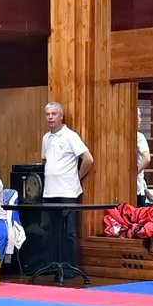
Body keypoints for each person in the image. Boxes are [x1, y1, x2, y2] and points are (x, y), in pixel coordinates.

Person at [40, 102, 93, 269]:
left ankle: (69, 268)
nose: (50, 117)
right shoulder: (46, 138)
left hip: (67, 192)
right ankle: (51, 265)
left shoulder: (70, 136)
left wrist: (77, 177)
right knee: (48, 230)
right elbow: (45, 160)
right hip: (49, 192)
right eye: (47, 114)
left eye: (54, 114)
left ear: (61, 116)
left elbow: (88, 159)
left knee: (68, 231)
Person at [136, 108, 152, 206]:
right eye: (138, 116)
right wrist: (133, 174)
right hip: (137, 192)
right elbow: (146, 158)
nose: (140, 119)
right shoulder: (139, 136)